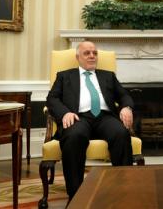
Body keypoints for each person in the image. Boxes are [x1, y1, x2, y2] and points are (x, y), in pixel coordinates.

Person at [46, 41, 134, 201]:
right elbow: (52, 99)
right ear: (78, 57)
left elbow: (124, 95)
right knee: (74, 136)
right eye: (87, 53)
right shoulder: (64, 76)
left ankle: (123, 191)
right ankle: (76, 196)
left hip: (105, 117)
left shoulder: (108, 76)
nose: (92, 56)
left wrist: (126, 107)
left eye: (95, 53)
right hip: (78, 117)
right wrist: (65, 113)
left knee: (121, 133)